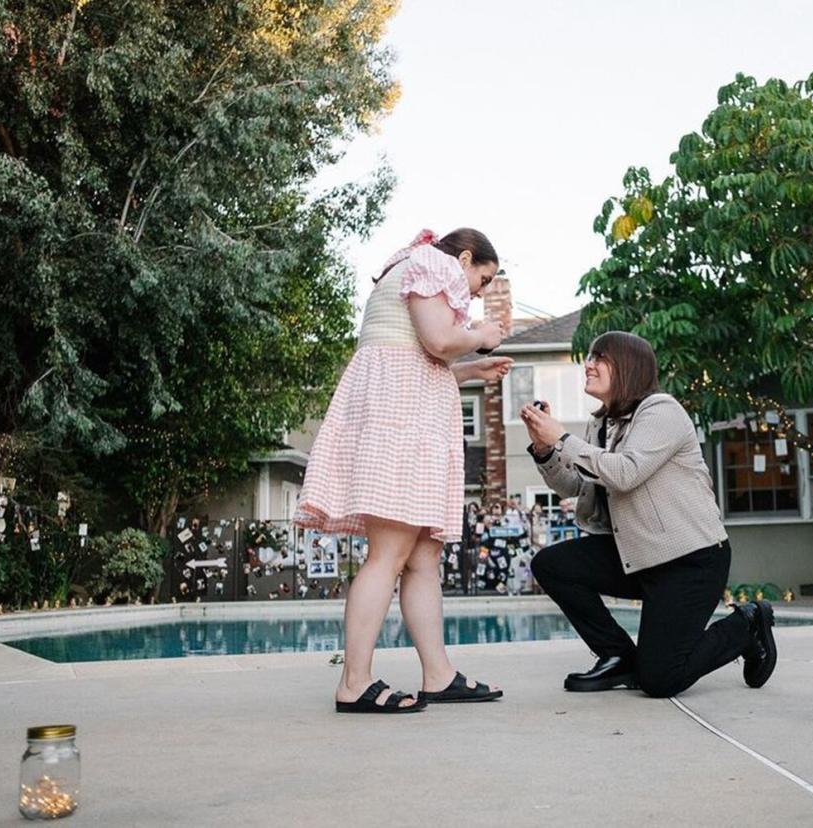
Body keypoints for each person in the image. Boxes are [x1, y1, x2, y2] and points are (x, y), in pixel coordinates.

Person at [296, 228, 513, 713]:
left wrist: (471, 371)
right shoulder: (433, 265)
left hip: (405, 416)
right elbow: (438, 341)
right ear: (464, 258)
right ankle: (354, 683)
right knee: (388, 554)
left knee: (422, 557)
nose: (480, 291)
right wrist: (481, 337)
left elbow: (415, 357)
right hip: (401, 425)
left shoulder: (412, 267)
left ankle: (438, 675)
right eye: (484, 277)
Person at [521, 331, 777, 697]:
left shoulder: (661, 411)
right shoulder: (601, 424)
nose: (588, 365)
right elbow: (577, 486)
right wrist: (546, 450)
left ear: (627, 366)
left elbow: (625, 473)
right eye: (590, 357)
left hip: (689, 561)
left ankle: (747, 625)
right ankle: (617, 656)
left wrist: (562, 439)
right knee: (552, 564)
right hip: (637, 556)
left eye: (599, 358)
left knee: (660, 680)